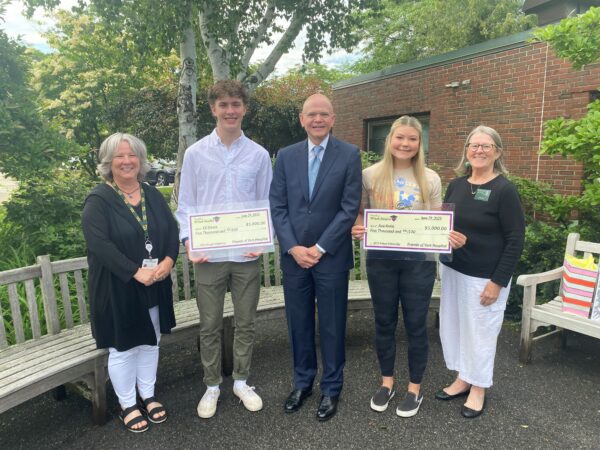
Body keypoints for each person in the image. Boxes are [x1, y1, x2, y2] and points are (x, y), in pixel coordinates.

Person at [176, 80, 272, 419]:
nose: (230, 110)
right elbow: (185, 204)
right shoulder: (196, 153)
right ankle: (212, 385)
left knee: (246, 323)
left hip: (246, 256)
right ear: (213, 109)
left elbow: (267, 204)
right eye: (224, 105)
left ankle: (241, 381)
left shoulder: (258, 155)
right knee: (209, 325)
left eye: (236, 104)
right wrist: (189, 242)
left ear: (244, 108)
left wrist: (262, 239)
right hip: (208, 256)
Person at [270, 93, 362, 421]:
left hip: (331, 257)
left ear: (333, 118)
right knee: (298, 323)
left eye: (324, 114)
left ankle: (332, 387)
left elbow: (349, 207)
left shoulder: (349, 155)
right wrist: (293, 247)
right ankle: (303, 382)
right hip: (295, 258)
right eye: (312, 114)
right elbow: (278, 206)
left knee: (334, 324)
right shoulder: (286, 155)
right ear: (302, 118)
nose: (318, 119)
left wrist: (320, 247)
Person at [82, 133, 179, 433]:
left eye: (132, 155)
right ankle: (128, 404)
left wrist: (167, 261)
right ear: (109, 163)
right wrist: (135, 271)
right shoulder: (98, 200)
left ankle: (147, 395)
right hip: (118, 289)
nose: (126, 161)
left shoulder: (151, 194)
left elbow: (172, 232)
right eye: (119, 157)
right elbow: (99, 245)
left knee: (151, 341)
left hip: (154, 284)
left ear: (140, 160)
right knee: (124, 348)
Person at [351, 116, 445, 417]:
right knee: (384, 322)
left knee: (417, 325)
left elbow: (436, 223)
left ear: (420, 143)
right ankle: (387, 383)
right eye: (400, 138)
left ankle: (414, 388)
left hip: (419, 263)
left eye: (412, 139)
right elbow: (360, 215)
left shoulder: (430, 179)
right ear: (389, 140)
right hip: (381, 260)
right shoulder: (369, 175)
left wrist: (445, 234)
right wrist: (357, 227)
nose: (405, 144)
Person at [436, 125, 525, 418]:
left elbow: (515, 240)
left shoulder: (504, 190)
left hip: (485, 277)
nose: (479, 151)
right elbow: (444, 223)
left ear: (497, 152)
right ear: (466, 151)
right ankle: (463, 378)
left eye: (486, 146)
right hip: (454, 272)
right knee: (458, 327)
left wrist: (497, 282)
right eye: (473, 145)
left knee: (481, 333)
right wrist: (446, 235)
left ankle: (479, 387)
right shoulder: (457, 185)